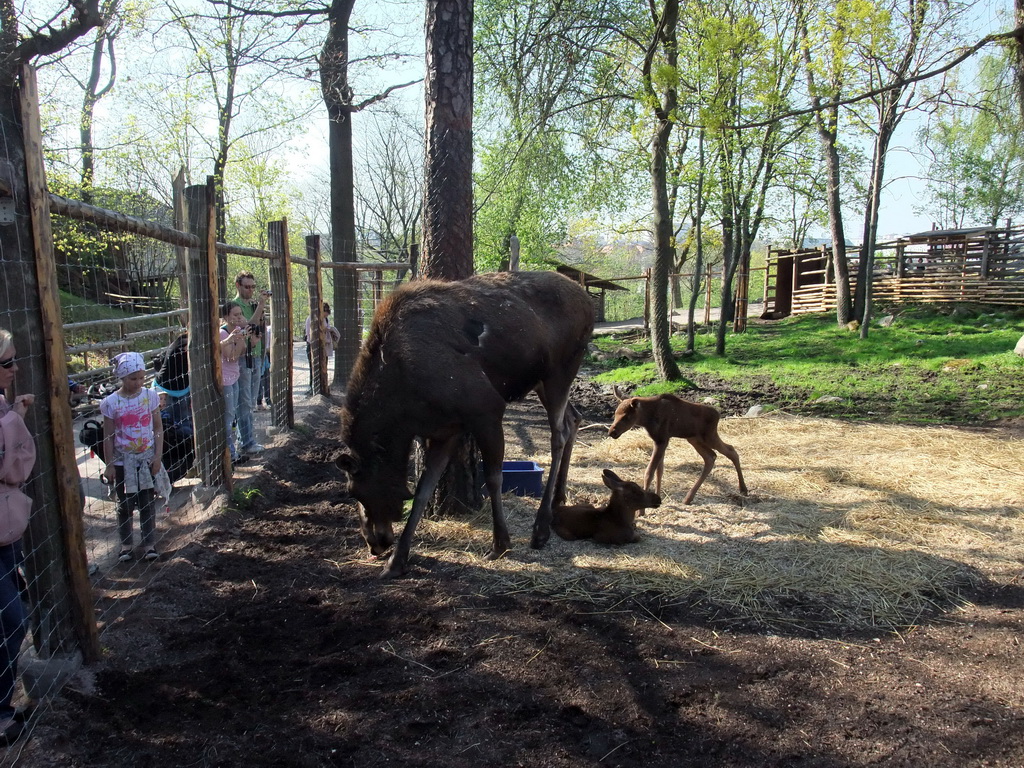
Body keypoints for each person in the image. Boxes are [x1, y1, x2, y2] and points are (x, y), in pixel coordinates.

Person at [0, 329, 33, 746]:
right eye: (6, 363)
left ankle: (4, 706)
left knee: (13, 616)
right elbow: (12, 468)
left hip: (6, 531)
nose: (14, 369)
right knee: (11, 620)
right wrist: (14, 423)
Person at [100, 352, 164, 563]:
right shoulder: (111, 403)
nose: (137, 383)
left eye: (140, 378)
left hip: (145, 459)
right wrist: (109, 465)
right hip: (122, 462)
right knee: (124, 504)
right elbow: (108, 436)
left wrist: (157, 456)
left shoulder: (150, 396)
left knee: (147, 502)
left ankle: (149, 543)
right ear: (121, 377)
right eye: (132, 378)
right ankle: (126, 544)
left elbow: (157, 428)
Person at [232, 271, 268, 455]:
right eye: (247, 286)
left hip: (256, 355)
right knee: (244, 402)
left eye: (253, 287)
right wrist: (261, 305)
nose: (251, 290)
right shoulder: (235, 307)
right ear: (238, 286)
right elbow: (250, 327)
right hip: (243, 357)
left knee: (251, 400)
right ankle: (247, 441)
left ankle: (245, 439)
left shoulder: (253, 305)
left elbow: (261, 328)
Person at [220, 302, 248, 466]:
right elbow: (231, 357)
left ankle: (233, 451)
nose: (239, 317)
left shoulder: (236, 332)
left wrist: (242, 337)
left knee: (233, 416)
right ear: (226, 317)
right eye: (235, 315)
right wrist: (238, 341)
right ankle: (229, 453)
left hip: (234, 377)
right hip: (225, 380)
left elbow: (242, 351)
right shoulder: (223, 334)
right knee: (228, 415)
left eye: (240, 314)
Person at [304, 302, 340, 395]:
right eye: (326, 312)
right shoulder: (310, 319)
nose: (327, 314)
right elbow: (309, 334)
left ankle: (323, 386)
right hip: (312, 346)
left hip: (324, 347)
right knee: (313, 367)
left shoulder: (325, 319)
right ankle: (312, 388)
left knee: (324, 367)